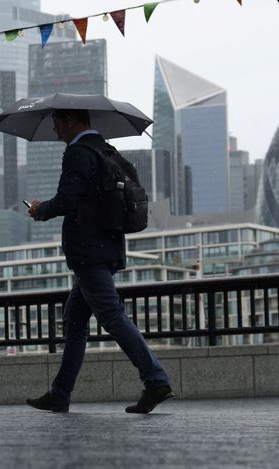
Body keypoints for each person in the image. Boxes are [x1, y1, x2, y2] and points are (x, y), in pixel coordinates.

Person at [25, 109, 174, 414]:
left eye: (56, 124)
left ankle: (155, 380)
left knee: (111, 315)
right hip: (108, 246)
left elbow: (68, 200)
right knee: (75, 320)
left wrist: (40, 209)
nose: (55, 131)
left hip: (87, 250)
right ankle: (60, 393)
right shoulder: (107, 150)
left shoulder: (78, 153)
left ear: (70, 121)